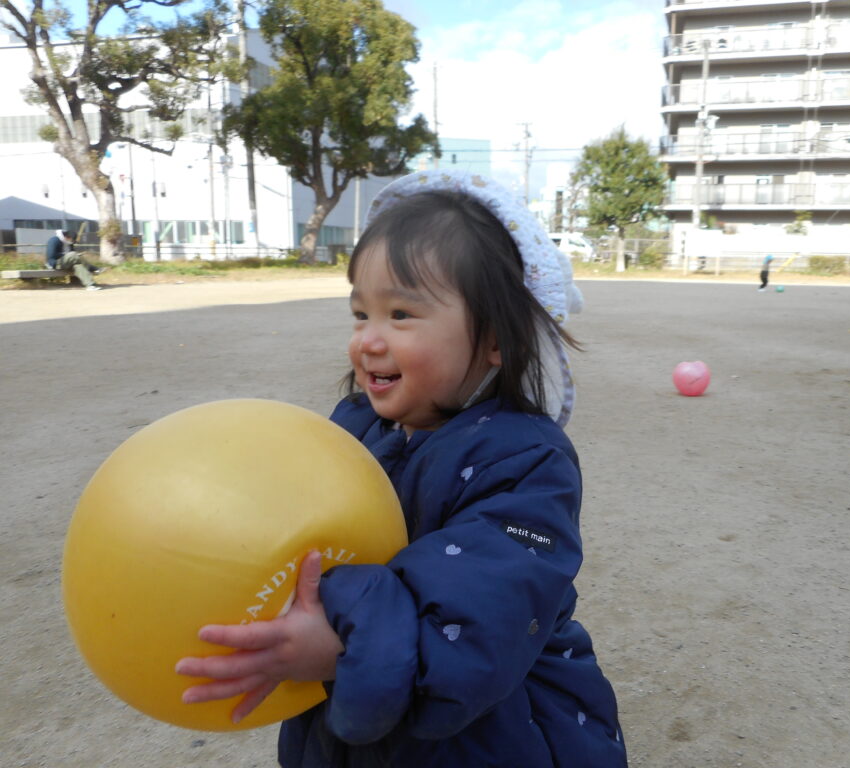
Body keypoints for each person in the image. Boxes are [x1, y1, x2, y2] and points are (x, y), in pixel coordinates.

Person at [174, 170, 628, 768]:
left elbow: (476, 625)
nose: (369, 340)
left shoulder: (526, 463)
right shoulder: (352, 430)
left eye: (402, 314)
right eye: (361, 314)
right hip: (351, 726)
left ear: (494, 339)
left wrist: (337, 646)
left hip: (493, 738)